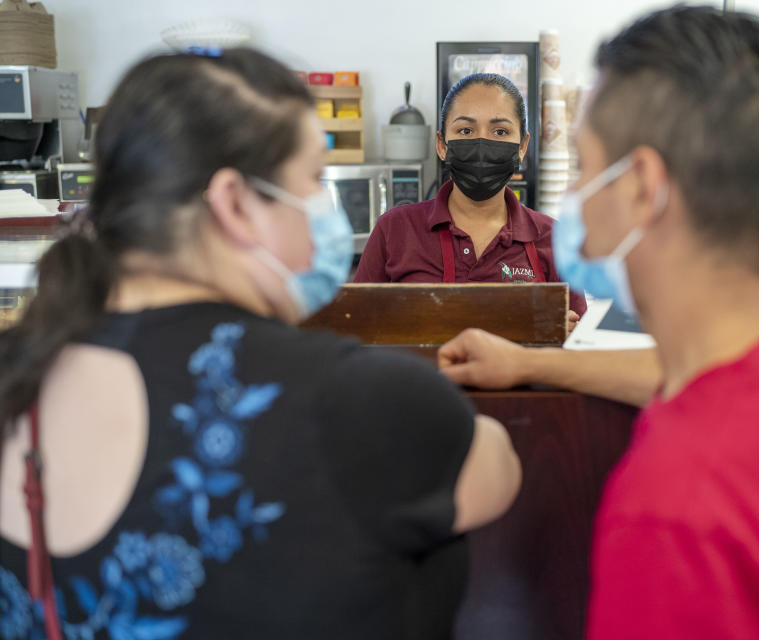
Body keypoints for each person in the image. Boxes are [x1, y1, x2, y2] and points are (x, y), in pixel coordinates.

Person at [0, 48, 521, 640]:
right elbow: (496, 466)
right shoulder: (359, 399)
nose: (324, 211)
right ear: (236, 205)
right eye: (314, 182)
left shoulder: (20, 371)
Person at [438, 7, 759, 639]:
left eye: (583, 167)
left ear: (642, 188)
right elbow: (688, 371)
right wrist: (529, 362)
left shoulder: (671, 515)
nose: (574, 194)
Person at [354, 73, 587, 332]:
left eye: (500, 131)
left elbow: (582, 347)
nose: (481, 144)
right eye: (465, 130)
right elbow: (356, 330)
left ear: (522, 147)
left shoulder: (556, 240)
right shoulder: (394, 230)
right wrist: (522, 323)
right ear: (442, 145)